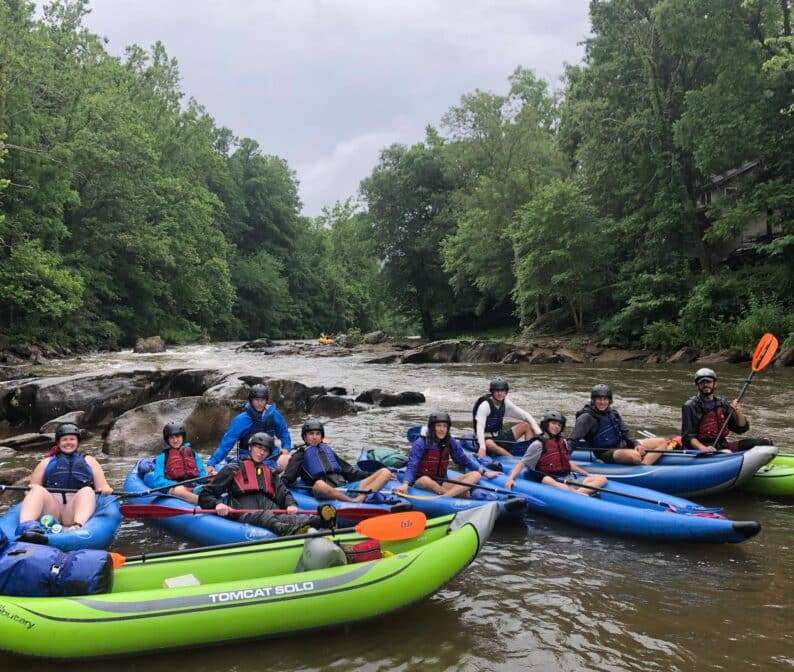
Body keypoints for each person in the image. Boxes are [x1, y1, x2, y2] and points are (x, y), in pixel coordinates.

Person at [198, 432, 326, 536]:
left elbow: (284, 493)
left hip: (269, 507)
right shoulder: (232, 469)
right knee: (265, 516)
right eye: (258, 448)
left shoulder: (270, 472)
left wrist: (290, 505)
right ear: (250, 448)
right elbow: (206, 494)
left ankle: (323, 521)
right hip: (245, 511)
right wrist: (217, 504)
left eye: (265, 450)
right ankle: (289, 532)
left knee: (296, 518)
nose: (261, 452)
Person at [15, 423, 113, 541]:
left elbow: (102, 485)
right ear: (58, 443)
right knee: (36, 489)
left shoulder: (90, 461)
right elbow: (31, 489)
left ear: (77, 442)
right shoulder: (46, 462)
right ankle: (26, 526)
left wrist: (105, 489)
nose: (68, 442)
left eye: (72, 439)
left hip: (73, 511)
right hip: (52, 511)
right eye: (64, 440)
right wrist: (30, 491)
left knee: (87, 490)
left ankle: (78, 526)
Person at [282, 419, 396, 502]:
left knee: (385, 472)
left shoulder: (328, 450)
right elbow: (288, 478)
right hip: (326, 491)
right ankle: (351, 501)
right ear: (305, 437)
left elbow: (351, 473)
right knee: (319, 485)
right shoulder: (299, 455)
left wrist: (373, 475)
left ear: (321, 436)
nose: (315, 437)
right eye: (311, 434)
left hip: (346, 488)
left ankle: (360, 498)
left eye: (318, 434)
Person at [396, 412, 499, 498]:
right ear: (432, 427)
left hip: (442, 482)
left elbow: (463, 460)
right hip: (420, 481)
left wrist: (485, 473)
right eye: (439, 426)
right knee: (425, 479)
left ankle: (446, 496)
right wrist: (405, 484)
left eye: (445, 426)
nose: (442, 429)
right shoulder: (421, 442)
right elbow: (412, 465)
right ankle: (451, 495)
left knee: (476, 475)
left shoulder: (450, 441)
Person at [504, 411, 607, 495]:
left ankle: (577, 493)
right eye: (553, 423)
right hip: (551, 480)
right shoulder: (538, 444)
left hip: (567, 478)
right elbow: (523, 463)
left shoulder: (562, 442)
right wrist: (510, 479)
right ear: (546, 425)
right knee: (547, 479)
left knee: (602, 479)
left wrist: (587, 474)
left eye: (559, 425)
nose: (556, 427)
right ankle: (576, 493)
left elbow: (567, 463)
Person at [566, 384, 671, 465]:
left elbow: (625, 432)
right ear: (593, 400)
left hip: (621, 444)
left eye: (605, 399)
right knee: (635, 456)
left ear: (609, 400)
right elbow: (572, 440)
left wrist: (636, 444)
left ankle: (644, 466)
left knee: (662, 442)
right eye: (599, 399)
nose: (602, 402)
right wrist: (564, 460)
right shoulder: (586, 418)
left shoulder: (613, 413)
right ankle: (638, 463)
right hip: (606, 452)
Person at [206, 383, 292, 474]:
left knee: (289, 460)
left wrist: (286, 448)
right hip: (248, 457)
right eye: (256, 400)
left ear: (266, 401)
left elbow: (284, 433)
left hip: (270, 455)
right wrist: (212, 463)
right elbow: (226, 444)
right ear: (251, 401)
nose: (259, 403)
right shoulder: (241, 420)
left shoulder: (274, 415)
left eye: (262, 400)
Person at [681, 368, 772, 452]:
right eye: (702, 383)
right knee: (727, 452)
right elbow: (688, 437)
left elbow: (741, 428)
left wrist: (737, 412)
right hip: (700, 448)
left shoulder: (722, 403)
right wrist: (703, 448)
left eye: (708, 382)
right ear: (697, 385)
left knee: (765, 443)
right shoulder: (690, 406)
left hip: (722, 445)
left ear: (715, 384)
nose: (705, 385)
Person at [142, 421, 209, 504]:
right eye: (172, 438)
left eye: (178, 436)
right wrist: (174, 484)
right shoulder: (162, 457)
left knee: (212, 478)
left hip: (194, 485)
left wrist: (208, 479)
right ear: (167, 440)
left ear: (182, 437)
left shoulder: (192, 453)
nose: (175, 440)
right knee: (178, 489)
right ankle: (202, 502)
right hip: (175, 488)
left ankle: (213, 497)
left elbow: (202, 473)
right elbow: (158, 481)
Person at [472, 377, 542, 457]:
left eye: (502, 391)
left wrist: (540, 435)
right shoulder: (485, 406)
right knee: (489, 443)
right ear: (492, 392)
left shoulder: (506, 403)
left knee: (526, 425)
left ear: (506, 392)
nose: (500, 393)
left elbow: (526, 416)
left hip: (499, 436)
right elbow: (480, 429)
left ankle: (529, 455)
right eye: (497, 391)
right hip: (485, 439)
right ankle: (511, 458)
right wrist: (482, 448)